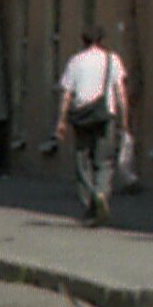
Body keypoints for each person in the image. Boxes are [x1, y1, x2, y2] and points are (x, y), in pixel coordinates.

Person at [54, 24, 133, 224]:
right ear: (101, 40)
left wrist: (61, 121)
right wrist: (123, 119)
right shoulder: (111, 59)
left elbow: (67, 94)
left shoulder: (75, 61)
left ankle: (90, 201)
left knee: (83, 161)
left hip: (81, 117)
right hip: (105, 116)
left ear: (84, 40)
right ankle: (101, 194)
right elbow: (120, 92)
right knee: (104, 161)